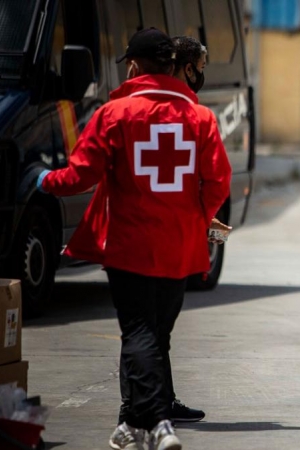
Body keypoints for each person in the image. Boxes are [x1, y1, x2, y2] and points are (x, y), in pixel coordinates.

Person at [38, 28, 231, 449]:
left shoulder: (115, 114)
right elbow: (219, 181)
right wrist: (196, 216)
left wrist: (43, 180)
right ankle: (131, 422)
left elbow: (81, 175)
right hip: (180, 247)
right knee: (156, 334)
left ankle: (160, 424)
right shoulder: (201, 118)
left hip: (130, 246)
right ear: (173, 66)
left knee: (140, 333)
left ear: (134, 65)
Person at [111, 35, 214, 432]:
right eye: (200, 68)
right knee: (144, 328)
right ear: (184, 67)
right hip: (156, 235)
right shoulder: (182, 113)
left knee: (155, 328)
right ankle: (136, 408)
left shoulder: (186, 110)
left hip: (162, 233)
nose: (203, 75)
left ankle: (158, 401)